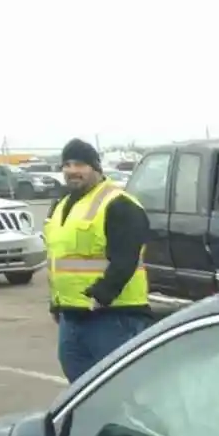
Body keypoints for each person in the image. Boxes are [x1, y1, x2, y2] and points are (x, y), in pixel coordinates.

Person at [45, 138, 151, 381]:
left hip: (113, 317)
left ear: (96, 167)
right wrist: (56, 303)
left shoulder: (119, 204)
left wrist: (101, 295)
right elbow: (57, 259)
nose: (72, 171)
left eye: (80, 164)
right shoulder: (62, 205)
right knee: (83, 394)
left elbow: (126, 258)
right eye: (67, 164)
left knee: (119, 389)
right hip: (71, 317)